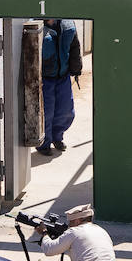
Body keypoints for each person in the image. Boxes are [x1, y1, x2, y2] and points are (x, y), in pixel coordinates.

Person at [37, 17, 79, 157]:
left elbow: (75, 47)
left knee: (66, 111)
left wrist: (76, 68)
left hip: (63, 77)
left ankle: (57, 137)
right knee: (47, 113)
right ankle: (44, 143)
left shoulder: (68, 25)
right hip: (45, 79)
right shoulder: (36, 27)